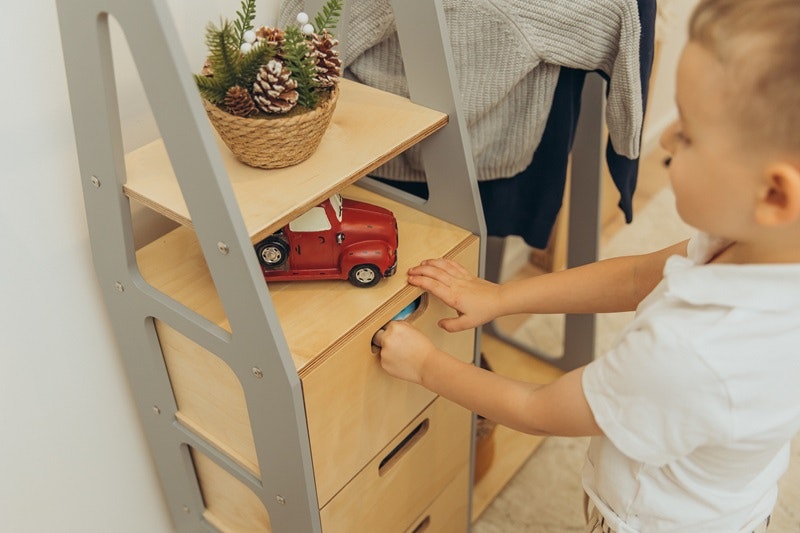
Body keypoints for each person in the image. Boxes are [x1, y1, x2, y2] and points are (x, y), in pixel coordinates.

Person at [371, 0, 800, 530]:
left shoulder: (692, 352)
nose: (665, 138)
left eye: (686, 133)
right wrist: (503, 297)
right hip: (736, 502)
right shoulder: (758, 248)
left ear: (776, 194)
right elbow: (638, 276)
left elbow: (538, 408)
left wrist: (426, 366)